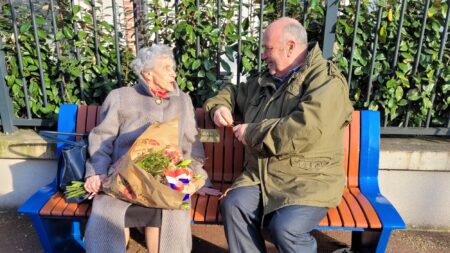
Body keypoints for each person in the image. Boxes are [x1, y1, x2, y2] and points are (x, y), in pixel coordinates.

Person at [203, 17, 354, 253]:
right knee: (234, 204)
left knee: (286, 228)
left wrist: (252, 131)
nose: (263, 55)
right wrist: (219, 106)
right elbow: (232, 92)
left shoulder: (326, 81)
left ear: (291, 46)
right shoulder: (266, 80)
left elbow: (306, 129)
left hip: (308, 177)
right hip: (260, 175)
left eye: (268, 48)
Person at [83, 44, 221, 253]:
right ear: (147, 74)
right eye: (166, 67)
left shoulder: (182, 100)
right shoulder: (120, 97)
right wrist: (97, 172)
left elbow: (191, 143)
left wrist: (197, 177)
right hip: (123, 180)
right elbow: (102, 138)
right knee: (108, 214)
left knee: (172, 211)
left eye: (172, 67)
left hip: (170, 179)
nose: (173, 73)